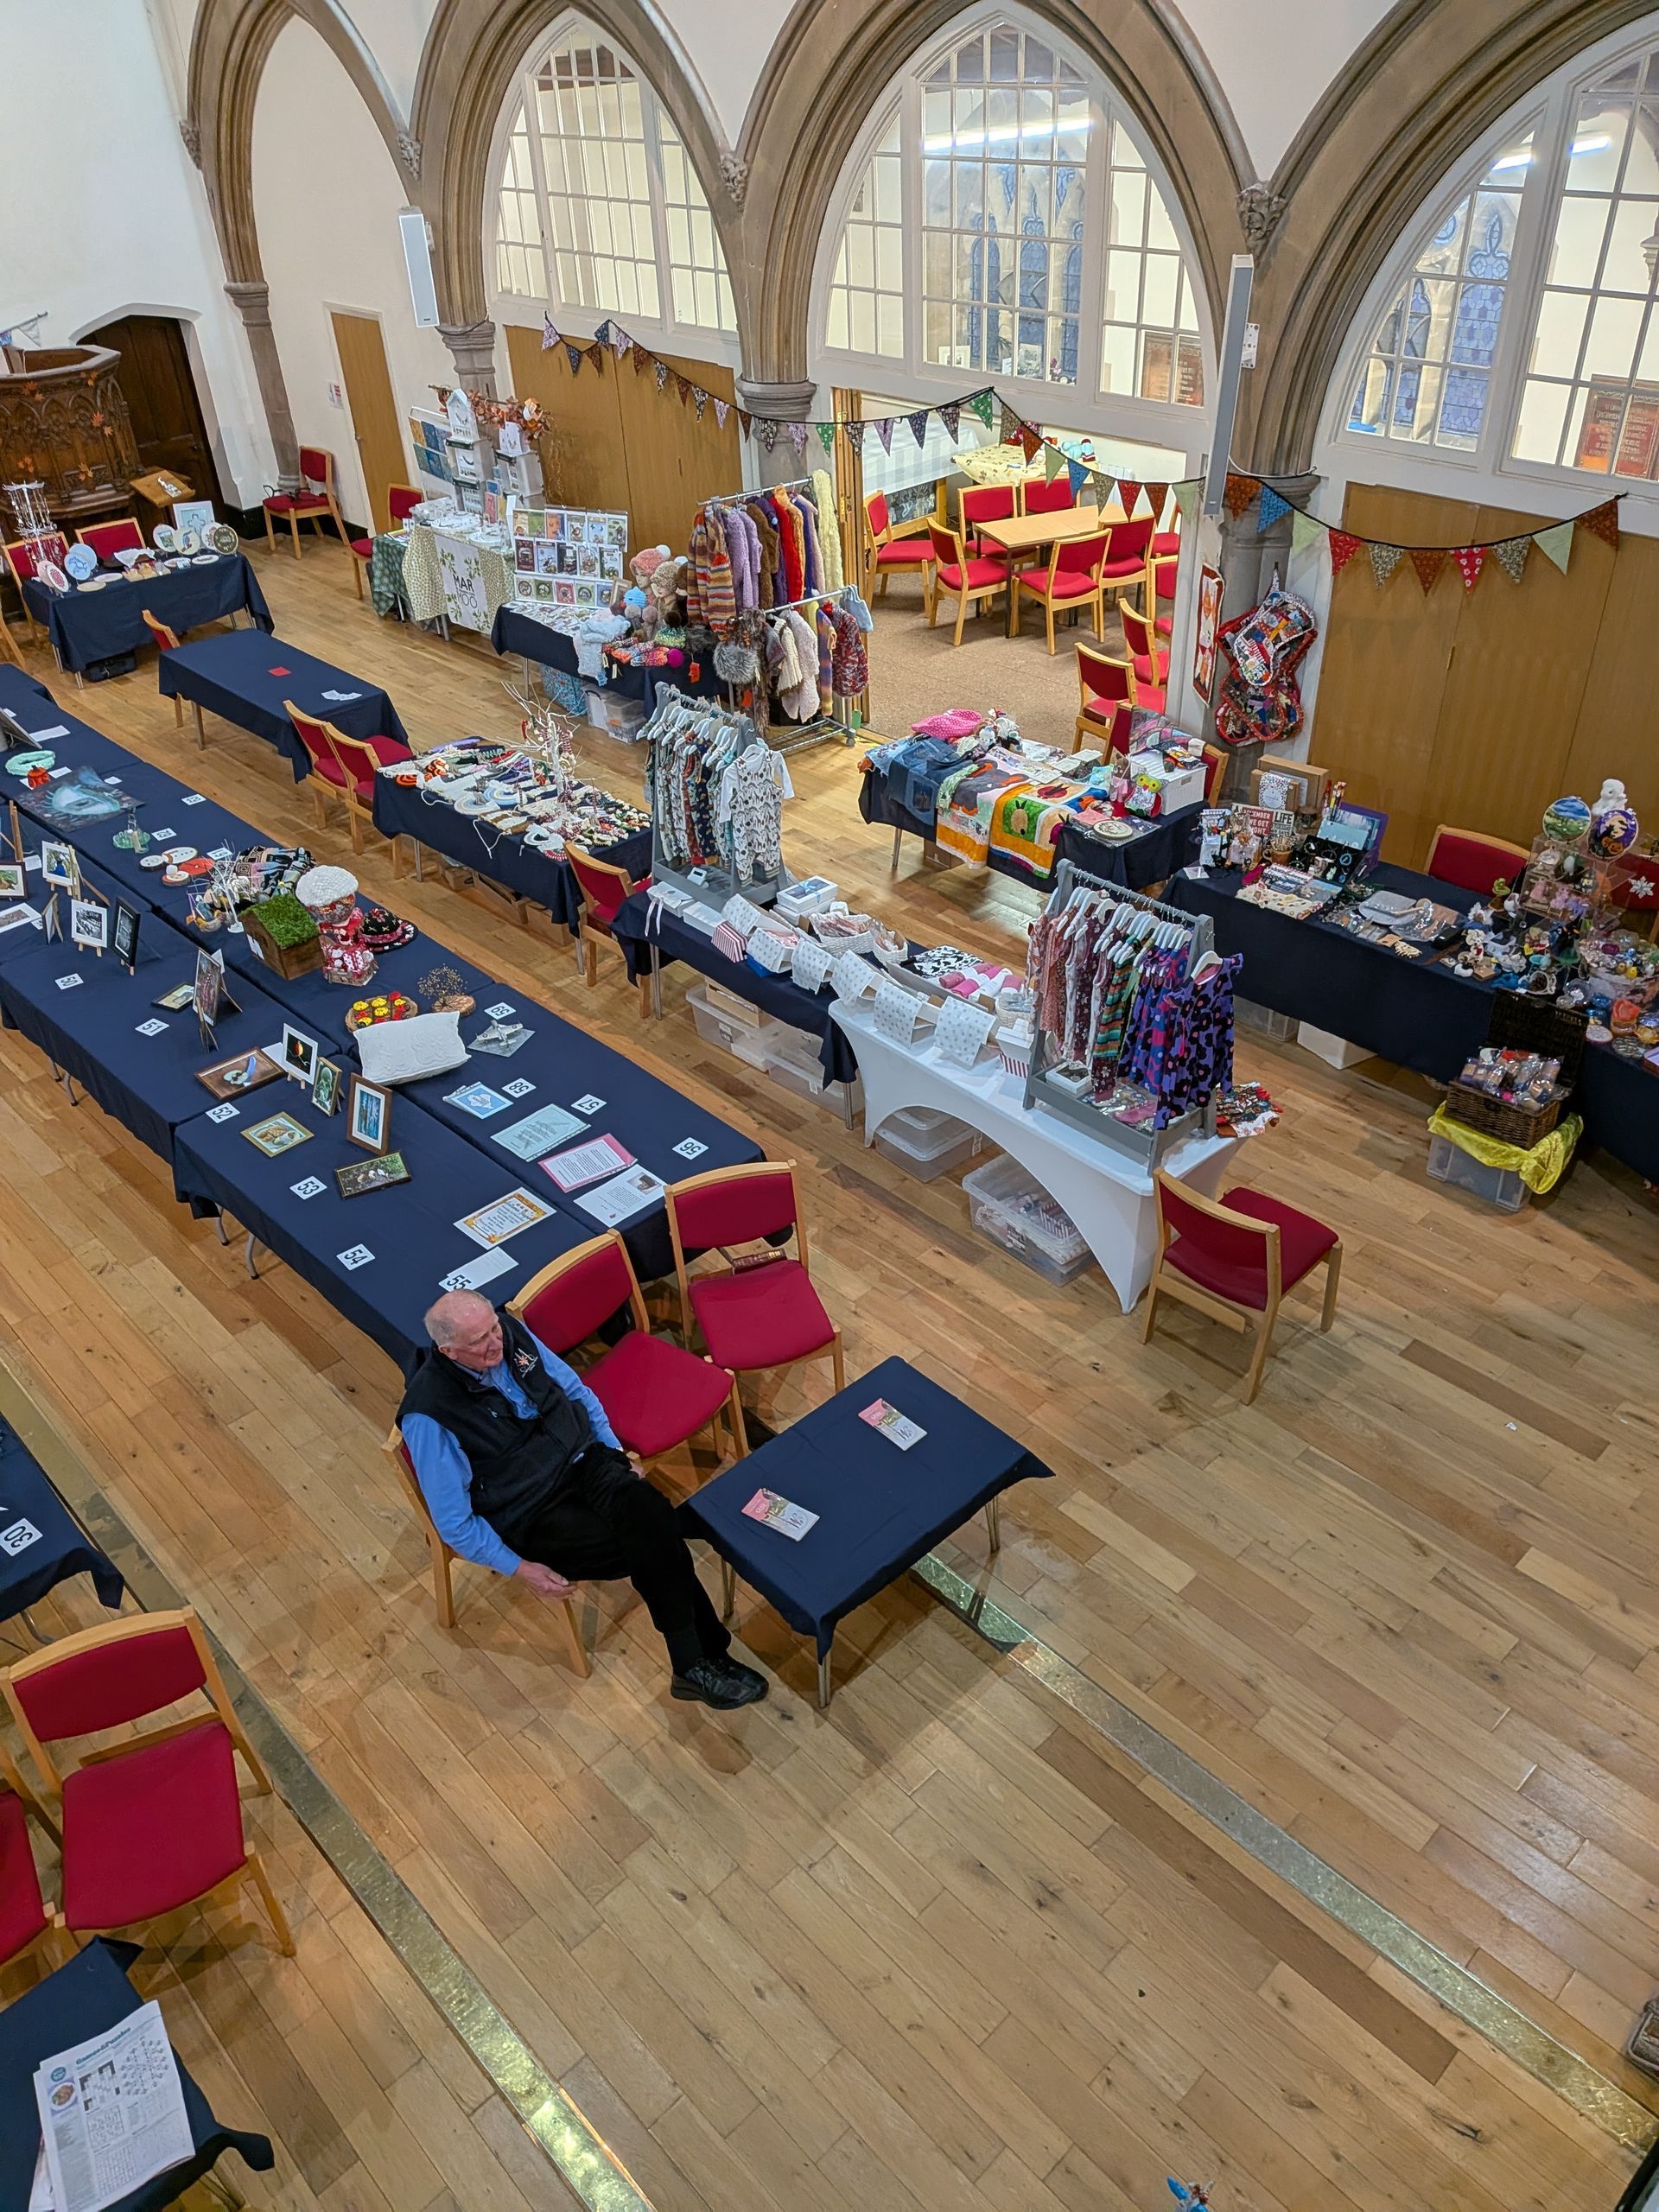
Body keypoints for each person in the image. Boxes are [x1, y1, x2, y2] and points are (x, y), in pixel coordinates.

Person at [398, 1290, 766, 1710]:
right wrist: (520, 1569)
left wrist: (615, 1453)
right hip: (532, 1510)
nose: (495, 1344)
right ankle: (704, 1655)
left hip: (584, 1460)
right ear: (447, 1351)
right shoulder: (428, 1416)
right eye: (478, 1341)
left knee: (648, 1518)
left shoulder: (511, 1336)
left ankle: (694, 1663)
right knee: (655, 1537)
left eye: (494, 1329)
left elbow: (576, 1392)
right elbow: (453, 1524)